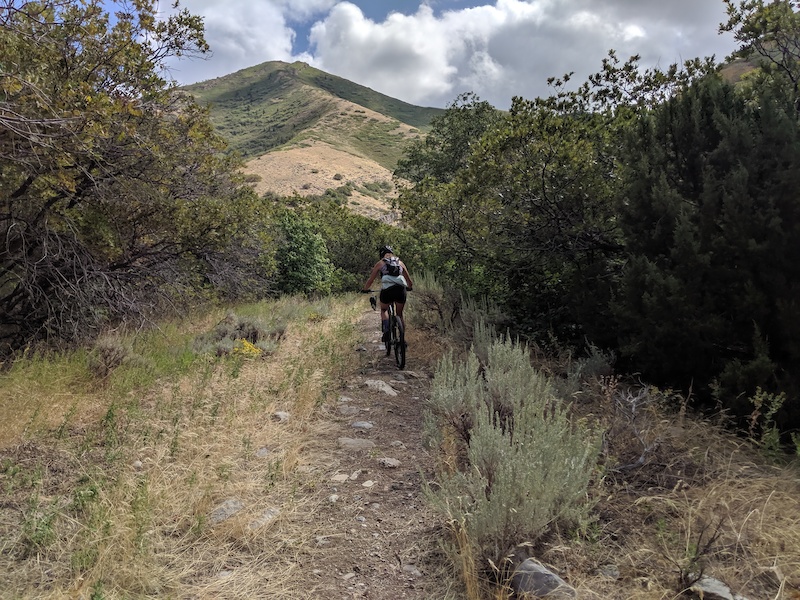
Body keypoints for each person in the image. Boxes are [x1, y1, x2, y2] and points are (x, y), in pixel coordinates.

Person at [362, 245, 413, 342]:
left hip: (387, 291)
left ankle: (386, 330)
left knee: (384, 309)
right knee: (400, 314)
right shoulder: (400, 262)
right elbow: (409, 281)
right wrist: (409, 287)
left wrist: (365, 289)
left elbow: (371, 280)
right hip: (400, 290)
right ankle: (402, 339)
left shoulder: (380, 263)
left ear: (381, 254)